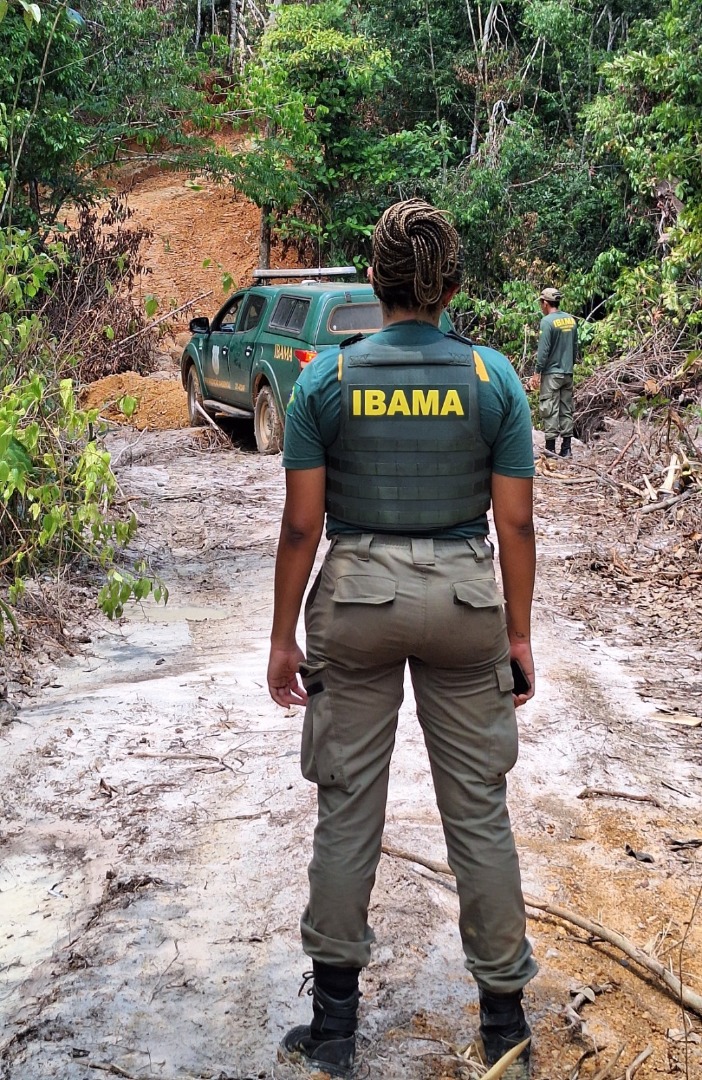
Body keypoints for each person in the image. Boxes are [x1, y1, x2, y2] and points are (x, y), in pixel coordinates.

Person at [267, 199, 538, 1080]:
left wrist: (281, 638)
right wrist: (518, 637)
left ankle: (335, 1031)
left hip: (356, 601)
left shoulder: (327, 380)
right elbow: (516, 523)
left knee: (348, 806)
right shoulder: (493, 378)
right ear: (450, 287)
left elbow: (302, 527)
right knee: (480, 812)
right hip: (464, 601)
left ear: (373, 282)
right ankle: (504, 1026)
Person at [529, 287, 578, 457]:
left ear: (545, 303)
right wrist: (570, 365)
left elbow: (543, 350)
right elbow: (575, 347)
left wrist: (537, 372)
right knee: (566, 409)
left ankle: (550, 449)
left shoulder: (547, 321)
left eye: (541, 303)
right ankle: (567, 448)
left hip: (552, 373)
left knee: (549, 408)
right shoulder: (570, 320)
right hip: (567, 372)